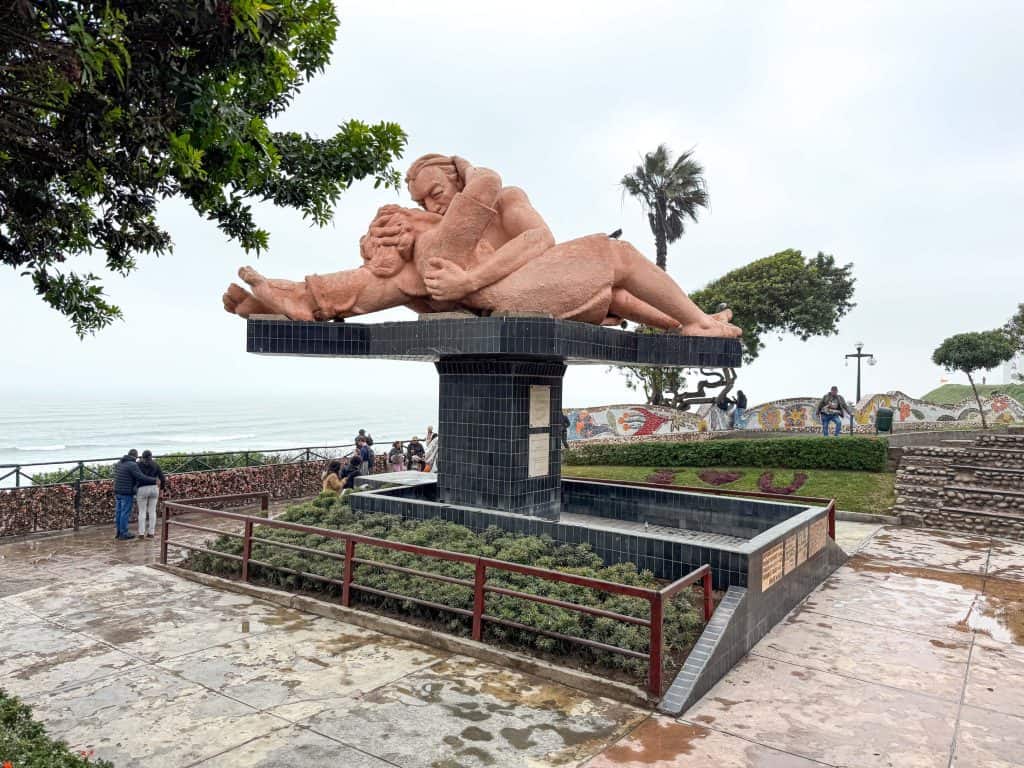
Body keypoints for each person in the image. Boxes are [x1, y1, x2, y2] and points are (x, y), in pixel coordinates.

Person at [112, 449, 158, 540]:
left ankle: (118, 532)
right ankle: (124, 533)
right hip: (126, 492)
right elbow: (140, 477)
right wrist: (154, 480)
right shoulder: (132, 465)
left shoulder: (119, 463)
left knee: (119, 512)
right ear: (135, 456)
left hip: (117, 490)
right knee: (125, 513)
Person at [136, 450, 166, 539]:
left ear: (142, 457)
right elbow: (163, 478)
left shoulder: (138, 465)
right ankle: (151, 533)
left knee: (142, 511)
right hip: (154, 488)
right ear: (151, 456)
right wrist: (161, 490)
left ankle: (141, 533)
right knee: (152, 511)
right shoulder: (155, 464)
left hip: (142, 488)